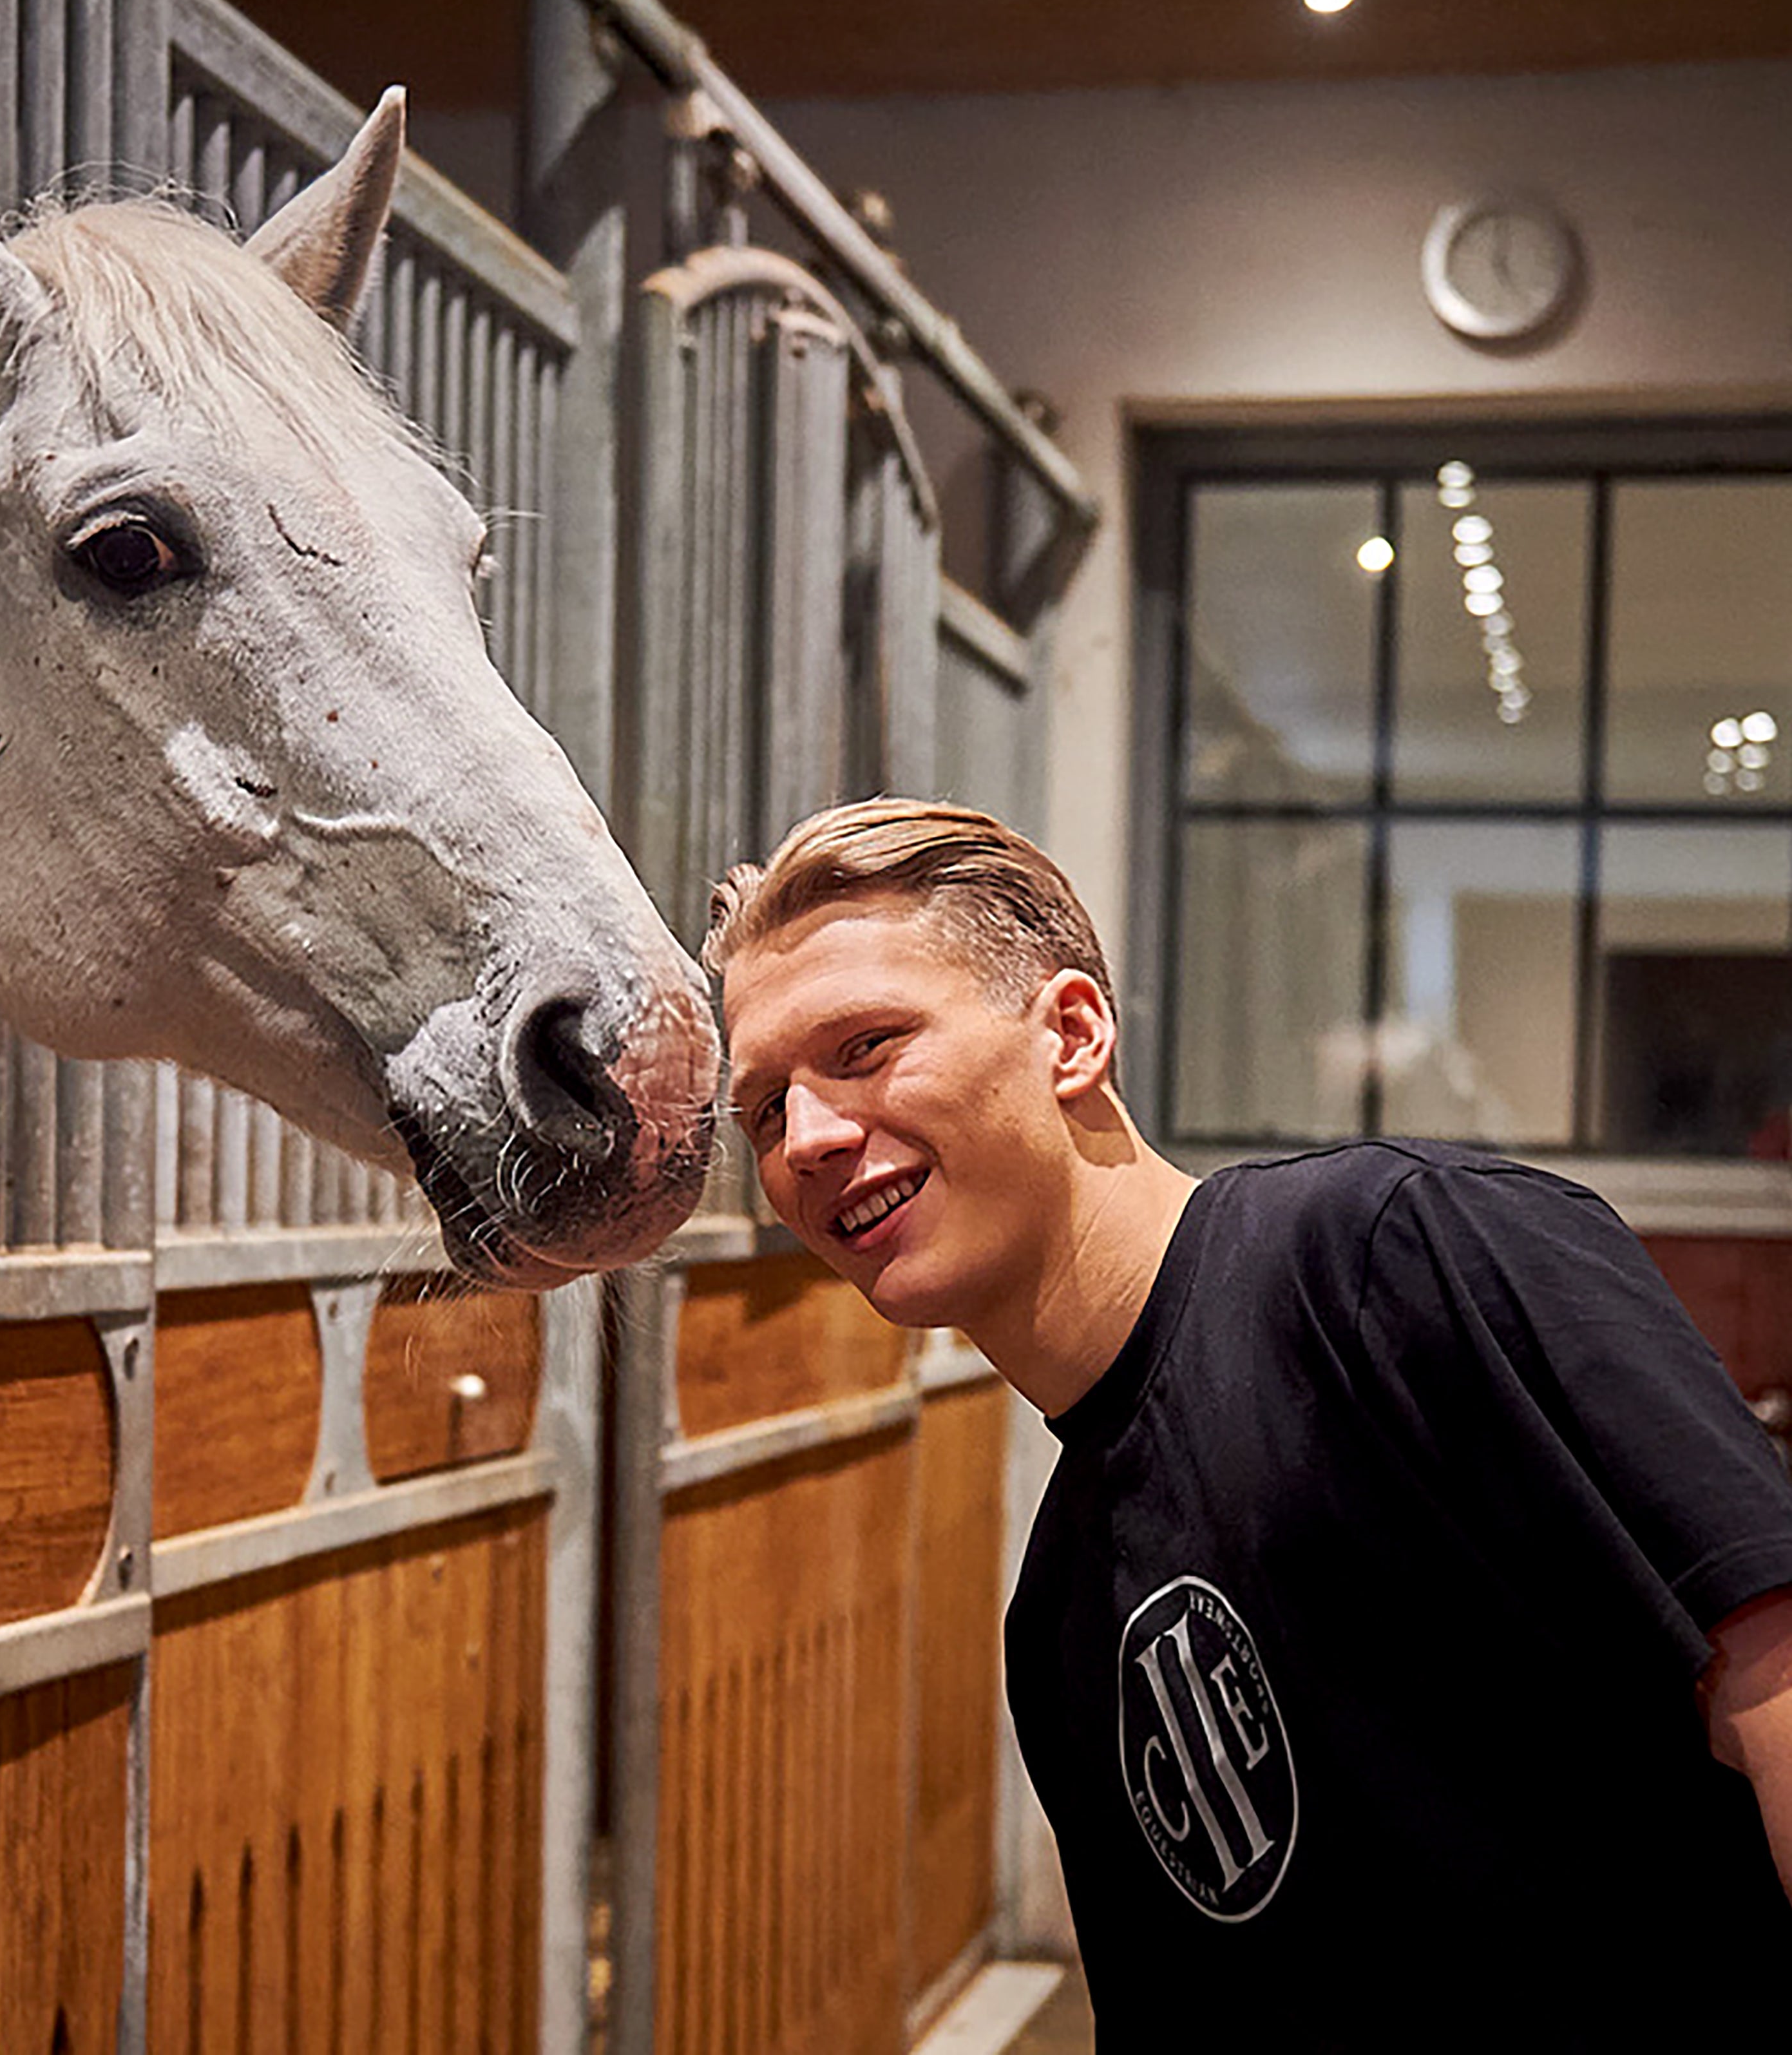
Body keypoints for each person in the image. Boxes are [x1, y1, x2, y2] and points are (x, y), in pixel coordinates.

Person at [705, 796, 1792, 2049]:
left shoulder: (1400, 1251)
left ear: (1070, 1033)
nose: (810, 1139)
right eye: (764, 1110)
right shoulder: (1059, 1609)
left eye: (864, 1046)